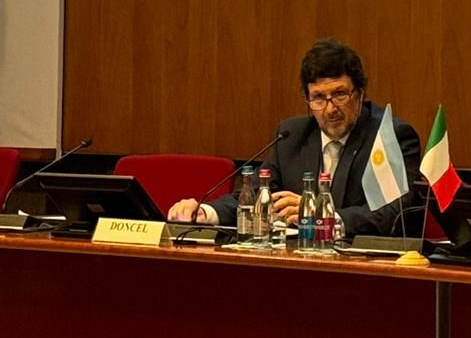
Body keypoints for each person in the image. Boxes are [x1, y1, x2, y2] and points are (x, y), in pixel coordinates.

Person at [167, 39, 421, 237]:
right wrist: (206, 212)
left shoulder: (390, 137)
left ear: (360, 94)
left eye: (340, 94)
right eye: (318, 98)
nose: (330, 109)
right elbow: (256, 195)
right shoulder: (292, 135)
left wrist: (318, 215)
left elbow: (396, 212)